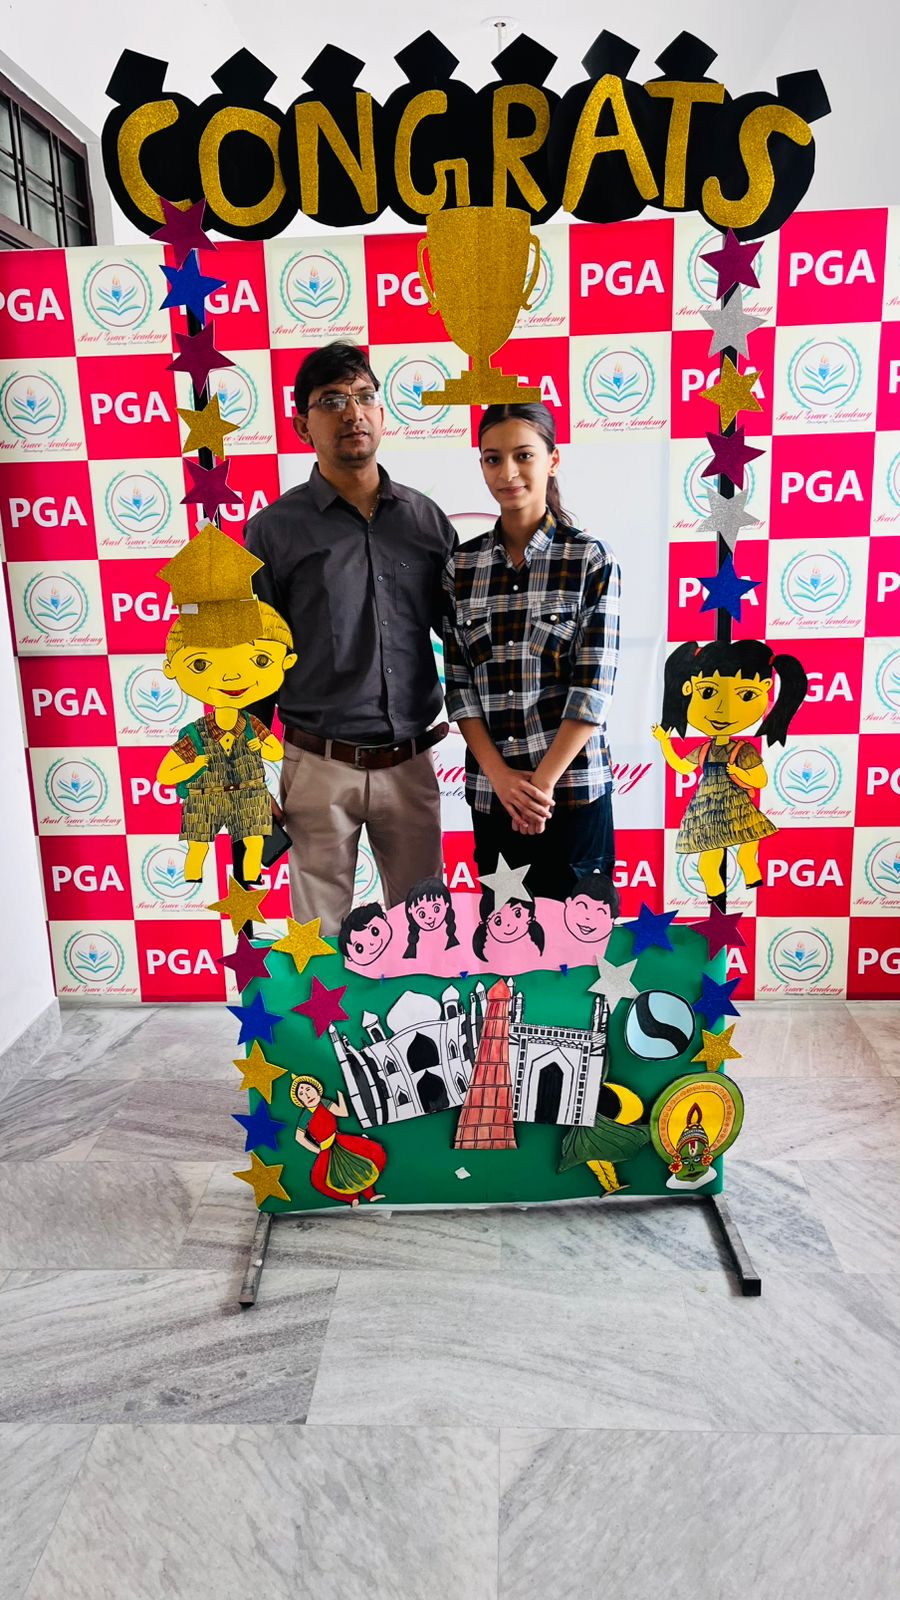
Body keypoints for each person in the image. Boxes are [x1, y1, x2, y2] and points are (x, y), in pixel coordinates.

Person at [244, 342, 457, 932]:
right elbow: (252, 666)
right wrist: (245, 775)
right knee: (319, 936)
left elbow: (464, 643)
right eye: (332, 400)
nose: (353, 413)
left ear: (382, 414)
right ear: (301, 424)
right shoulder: (272, 532)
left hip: (410, 763)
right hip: (317, 765)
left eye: (364, 397)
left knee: (424, 932)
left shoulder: (425, 521)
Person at [443, 402, 620, 901]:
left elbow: (593, 688)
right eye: (492, 459)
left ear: (553, 460)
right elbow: (460, 688)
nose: (508, 472)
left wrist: (540, 787)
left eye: (523, 455)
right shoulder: (461, 567)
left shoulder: (588, 558)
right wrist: (502, 779)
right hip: (494, 795)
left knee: (582, 939)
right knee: (503, 940)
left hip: (573, 793)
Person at [652, 637, 808, 898]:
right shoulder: (704, 749)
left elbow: (760, 779)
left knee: (747, 852)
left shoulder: (742, 750)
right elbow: (682, 767)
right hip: (709, 812)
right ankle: (716, 906)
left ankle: (752, 885)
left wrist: (739, 773)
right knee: (707, 866)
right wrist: (664, 742)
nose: (722, 709)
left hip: (738, 810)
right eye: (707, 693)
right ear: (689, 689)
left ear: (767, 689)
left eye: (746, 695)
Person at [290, 1075, 387, 1207]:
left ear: (317, 1090)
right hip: (325, 1149)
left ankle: (370, 1195)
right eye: (301, 1094)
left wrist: (340, 1095)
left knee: (366, 1159)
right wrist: (317, 1150)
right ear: (300, 1101)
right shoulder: (306, 1115)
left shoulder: (325, 1103)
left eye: (308, 1089)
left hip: (340, 1140)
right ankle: (351, 1198)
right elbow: (299, 1137)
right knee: (320, 1179)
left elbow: (343, 1113)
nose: (307, 1095)